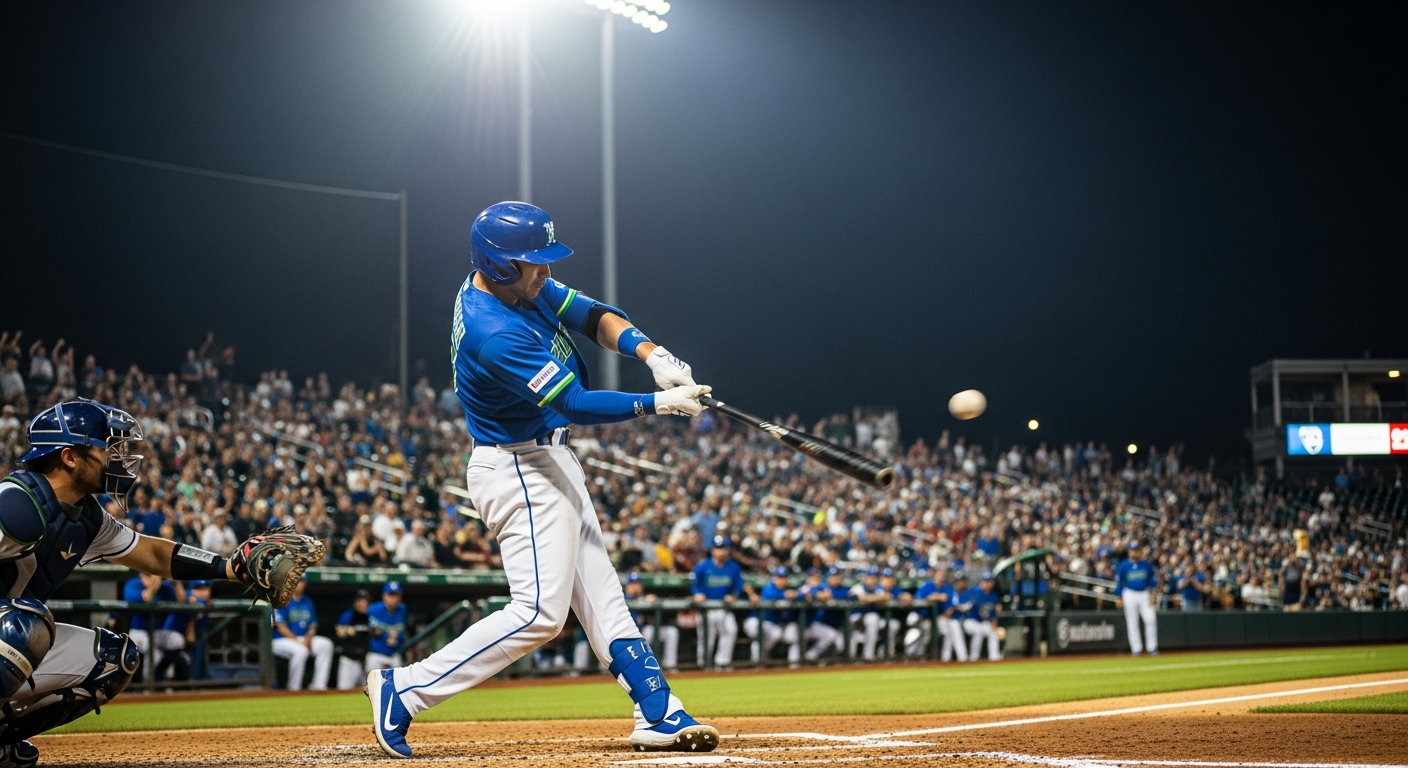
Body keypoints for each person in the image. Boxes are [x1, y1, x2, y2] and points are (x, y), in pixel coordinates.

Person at [367, 202, 718, 758]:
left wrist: (652, 354)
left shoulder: (516, 288)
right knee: (538, 615)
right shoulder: (492, 330)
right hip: (517, 467)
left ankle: (657, 711)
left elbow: (593, 314)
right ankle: (403, 689)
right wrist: (658, 402)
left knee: (603, 595)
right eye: (535, 263)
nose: (547, 272)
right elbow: (574, 403)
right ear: (501, 265)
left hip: (547, 460)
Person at [0, 398, 305, 766]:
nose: (118, 458)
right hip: (14, 629)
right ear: (69, 456)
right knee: (26, 625)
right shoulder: (16, 505)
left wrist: (229, 567)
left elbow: (153, 554)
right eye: (107, 448)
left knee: (113, 660)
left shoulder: (85, 517)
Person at [691, 535, 744, 669]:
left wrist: (733, 595)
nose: (721, 551)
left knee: (731, 630)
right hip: (706, 608)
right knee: (706, 637)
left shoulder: (733, 567)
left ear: (728, 550)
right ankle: (704, 666)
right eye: (718, 548)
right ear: (713, 550)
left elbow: (738, 584)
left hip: (723, 607)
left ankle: (722, 663)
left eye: (724, 548)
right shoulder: (703, 565)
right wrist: (697, 594)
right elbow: (693, 581)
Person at [272, 579, 333, 691]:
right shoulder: (282, 599)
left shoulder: (308, 602)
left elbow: (313, 626)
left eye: (302, 581)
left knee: (326, 644)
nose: (299, 583)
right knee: (301, 651)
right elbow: (281, 627)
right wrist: (299, 641)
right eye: (297, 580)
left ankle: (318, 686)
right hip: (280, 640)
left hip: (303, 639)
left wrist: (308, 640)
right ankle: (294, 688)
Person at [122, 573, 184, 682]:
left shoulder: (164, 586)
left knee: (177, 640)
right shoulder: (133, 584)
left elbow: (181, 600)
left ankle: (160, 673)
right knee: (154, 651)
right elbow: (146, 598)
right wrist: (154, 586)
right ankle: (149, 683)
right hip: (138, 632)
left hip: (156, 631)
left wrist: (176, 581)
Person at [743, 567, 801, 667]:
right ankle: (758, 661)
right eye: (779, 577)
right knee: (762, 634)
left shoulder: (788, 591)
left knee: (774, 634)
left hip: (771, 625)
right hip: (755, 621)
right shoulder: (768, 588)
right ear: (774, 578)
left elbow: (801, 596)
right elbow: (770, 595)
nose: (781, 580)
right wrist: (787, 595)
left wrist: (796, 595)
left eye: (783, 578)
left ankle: (758, 662)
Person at [624, 572, 679, 672]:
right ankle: (642, 667)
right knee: (647, 633)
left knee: (671, 632)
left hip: (643, 631)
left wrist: (651, 601)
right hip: (627, 636)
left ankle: (670, 665)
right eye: (633, 584)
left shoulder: (646, 598)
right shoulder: (623, 599)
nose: (636, 587)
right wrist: (644, 601)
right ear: (627, 586)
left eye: (638, 584)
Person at [1115, 542, 1159, 656]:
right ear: (1129, 552)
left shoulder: (1147, 565)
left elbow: (1152, 581)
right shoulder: (1124, 565)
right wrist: (1119, 597)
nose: (1135, 552)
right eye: (1133, 550)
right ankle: (1136, 649)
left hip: (1144, 593)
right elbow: (1119, 583)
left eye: (1137, 550)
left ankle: (1152, 647)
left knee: (1150, 619)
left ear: (1140, 551)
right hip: (1129, 593)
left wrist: (1153, 594)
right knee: (1132, 622)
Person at [802, 567, 847, 661]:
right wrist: (818, 595)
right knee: (829, 635)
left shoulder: (842, 589)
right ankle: (809, 658)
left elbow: (851, 596)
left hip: (834, 626)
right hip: (815, 624)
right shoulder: (817, 587)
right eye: (832, 576)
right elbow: (809, 592)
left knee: (841, 645)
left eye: (837, 576)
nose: (835, 578)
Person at [335, 590, 374, 690]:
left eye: (365, 601)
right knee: (343, 691)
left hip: (365, 661)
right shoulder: (349, 615)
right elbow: (339, 631)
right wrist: (348, 631)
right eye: (360, 601)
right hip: (349, 660)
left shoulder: (372, 617)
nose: (362, 604)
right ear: (355, 602)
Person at [365, 582, 408, 671]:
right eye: (391, 595)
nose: (394, 598)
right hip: (376, 654)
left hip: (394, 654)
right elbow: (370, 630)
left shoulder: (402, 609)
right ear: (384, 596)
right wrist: (386, 635)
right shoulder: (373, 609)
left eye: (396, 595)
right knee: (372, 683)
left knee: (400, 683)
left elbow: (403, 631)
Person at [961, 572, 1001, 662]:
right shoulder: (975, 592)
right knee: (978, 632)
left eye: (989, 581)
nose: (988, 584)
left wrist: (994, 625)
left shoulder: (993, 595)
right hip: (971, 621)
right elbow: (979, 611)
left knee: (993, 633)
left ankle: (994, 658)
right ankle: (974, 658)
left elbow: (993, 613)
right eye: (986, 581)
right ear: (981, 582)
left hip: (983, 622)